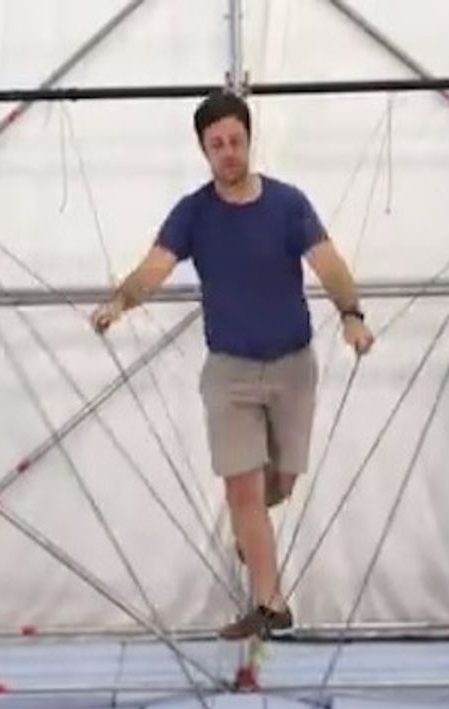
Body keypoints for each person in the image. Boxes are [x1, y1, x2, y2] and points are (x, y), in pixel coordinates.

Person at [91, 90, 375, 640]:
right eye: (216, 144)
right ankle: (270, 605)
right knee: (244, 489)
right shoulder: (193, 212)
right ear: (204, 150)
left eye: (235, 141)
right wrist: (120, 303)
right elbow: (155, 267)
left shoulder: (288, 204)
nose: (228, 152)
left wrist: (352, 315)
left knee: (280, 484)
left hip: (292, 364)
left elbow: (329, 264)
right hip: (229, 371)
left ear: (249, 140)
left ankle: (250, 533)